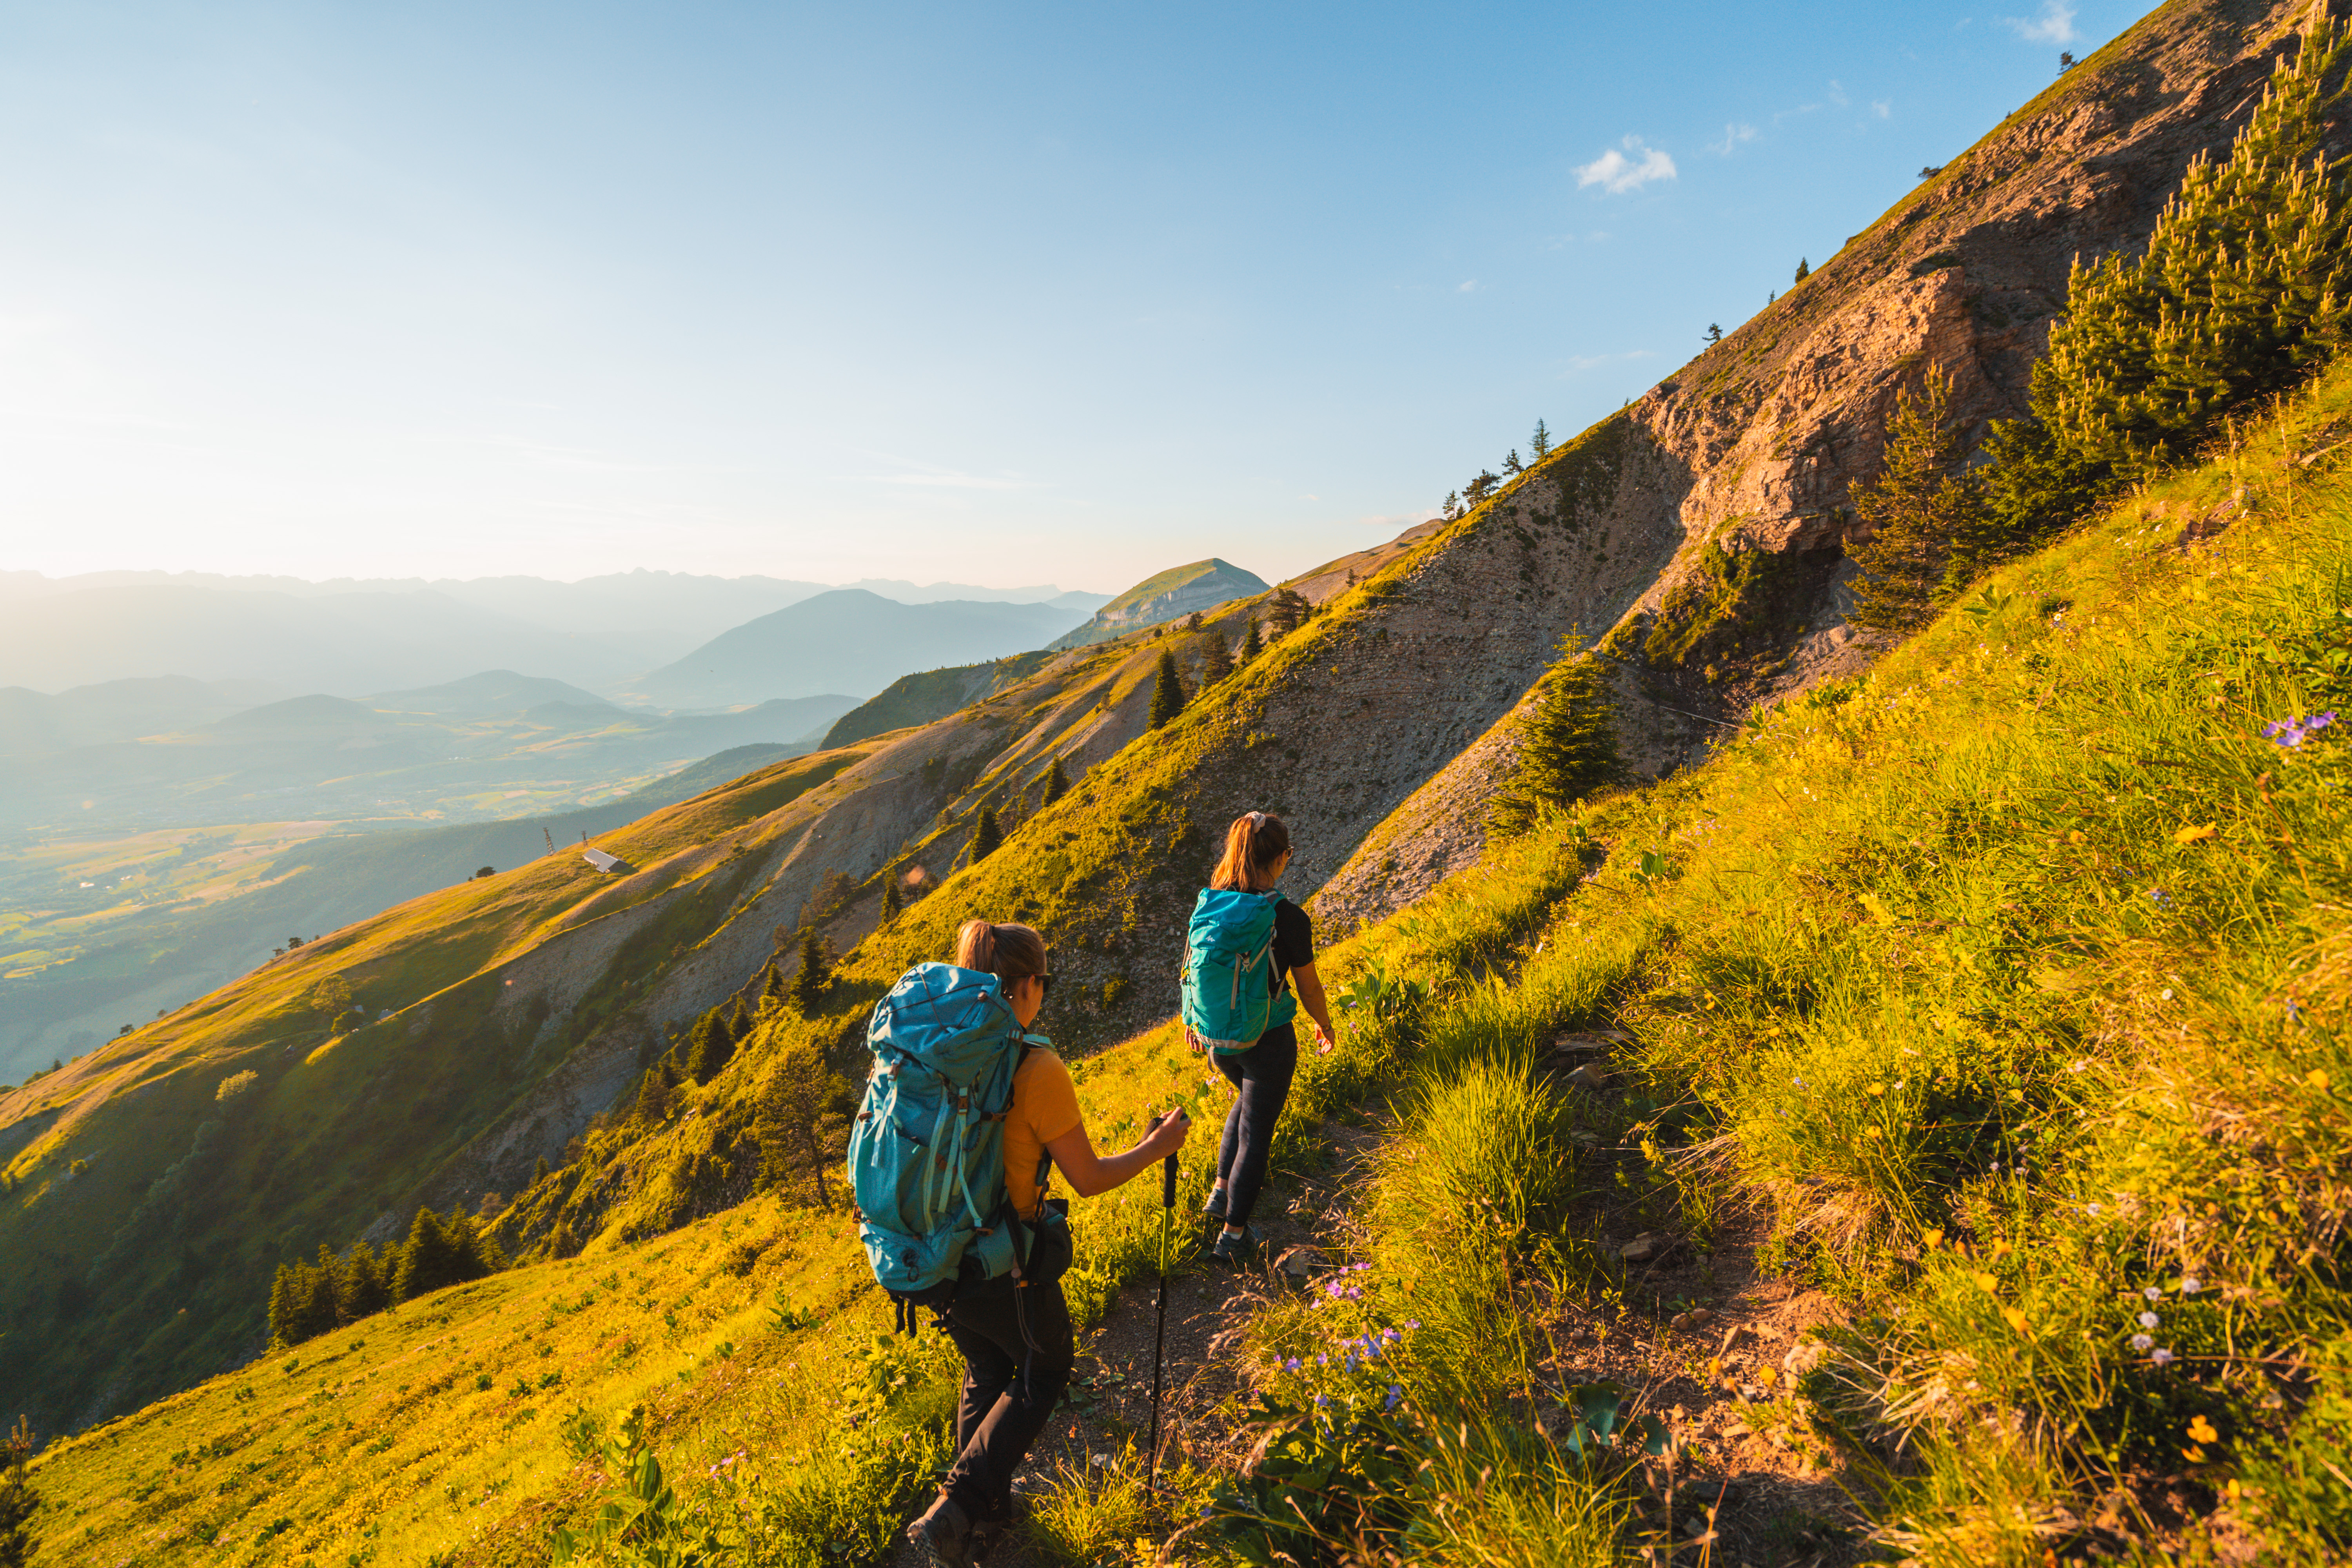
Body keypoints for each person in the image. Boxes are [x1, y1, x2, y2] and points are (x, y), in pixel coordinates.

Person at [908, 919, 1192, 1567]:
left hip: (932, 1253)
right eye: (1044, 981)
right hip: (1003, 1261)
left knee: (988, 1368)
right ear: (1025, 986)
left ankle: (984, 1518)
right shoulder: (1035, 1067)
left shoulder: (938, 1049)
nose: (1045, 993)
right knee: (1046, 1370)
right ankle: (956, 1511)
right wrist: (1157, 1147)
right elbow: (1087, 1179)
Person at [1190, 813, 1335, 1266]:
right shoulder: (1287, 917)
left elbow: (1194, 972)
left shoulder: (1211, 904)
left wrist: (1194, 1022)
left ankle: (1220, 1192)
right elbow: (1308, 986)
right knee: (1257, 1131)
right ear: (1279, 858)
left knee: (1245, 1106)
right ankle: (1233, 1237)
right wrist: (1324, 1022)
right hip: (1268, 1039)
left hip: (1220, 1043)